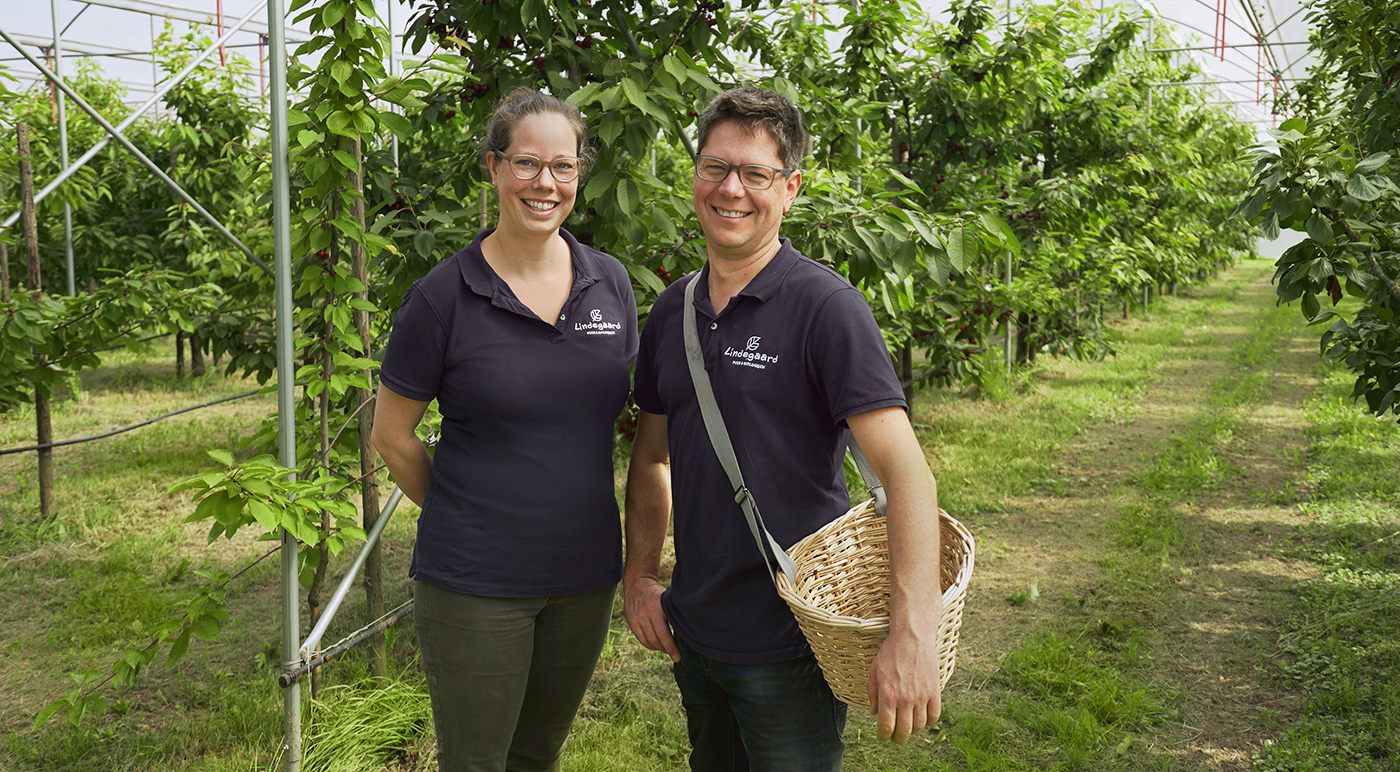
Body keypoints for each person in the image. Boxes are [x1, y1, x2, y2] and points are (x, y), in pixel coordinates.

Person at [622, 86, 944, 771]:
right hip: (696, 633)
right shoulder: (672, 309)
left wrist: (914, 629)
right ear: (694, 176)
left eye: (756, 174)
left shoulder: (825, 308)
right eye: (715, 167)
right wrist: (641, 578)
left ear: (790, 188)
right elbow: (653, 458)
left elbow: (905, 470)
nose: (731, 188)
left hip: (792, 642)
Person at [371, 88, 637, 772]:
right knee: (478, 761)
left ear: (580, 174)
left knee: (536, 755)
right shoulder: (442, 299)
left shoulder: (609, 285)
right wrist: (469, 510)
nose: (544, 183)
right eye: (525, 163)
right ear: (493, 169)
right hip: (477, 582)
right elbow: (393, 437)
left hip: (583, 577)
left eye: (563, 166)